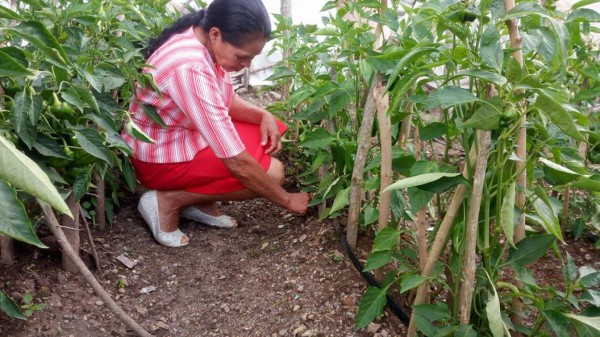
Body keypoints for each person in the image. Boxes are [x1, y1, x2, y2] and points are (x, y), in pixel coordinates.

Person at [121, 0, 310, 247]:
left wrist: (264, 115)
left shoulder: (204, 43)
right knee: (273, 174)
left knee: (266, 132)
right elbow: (235, 160)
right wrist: (287, 200)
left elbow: (224, 99)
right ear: (216, 34)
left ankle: (196, 199)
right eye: (242, 57)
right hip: (158, 158)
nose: (247, 65)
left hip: (179, 138)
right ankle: (172, 199)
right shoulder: (190, 66)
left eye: (252, 58)